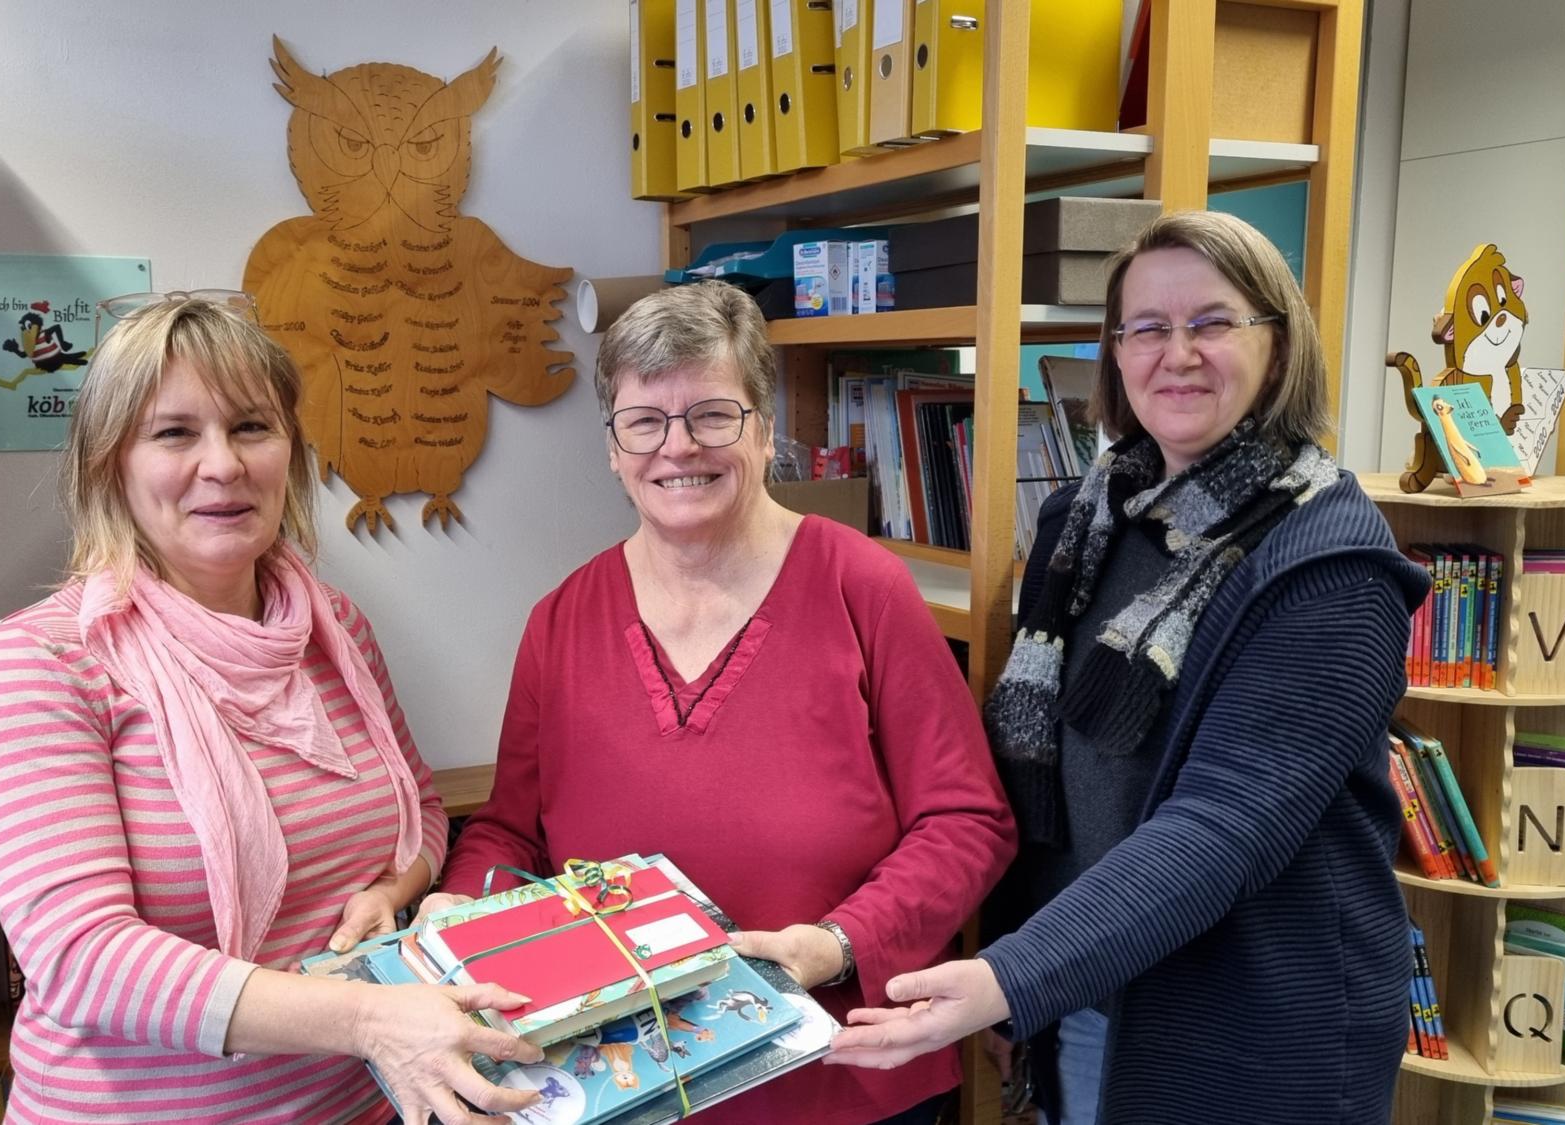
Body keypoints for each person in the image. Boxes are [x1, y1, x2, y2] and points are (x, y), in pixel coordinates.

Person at [828, 211, 1429, 1124]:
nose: (1176, 353)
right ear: (1115, 352)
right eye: (1147, 328)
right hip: (1088, 999)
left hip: (1253, 1036)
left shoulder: (1331, 562)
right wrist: (1021, 965)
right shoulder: (1088, 517)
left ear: (1279, 342)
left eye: (1212, 323)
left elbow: (1225, 824)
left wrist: (1010, 974)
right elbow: (1043, 773)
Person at [419, 280, 1017, 1125]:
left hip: (844, 1069)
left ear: (767, 431)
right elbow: (511, 828)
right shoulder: (560, 619)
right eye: (645, 421)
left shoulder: (863, 586)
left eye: (711, 414)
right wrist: (464, 908)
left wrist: (837, 942)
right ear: (613, 449)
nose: (678, 447)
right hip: (629, 1083)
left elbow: (967, 820)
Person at [0, 295, 542, 1125]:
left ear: (289, 452)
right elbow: (83, 960)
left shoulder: (335, 630)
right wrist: (369, 1020)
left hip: (361, 1105)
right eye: (174, 433)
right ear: (108, 463)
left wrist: (392, 886)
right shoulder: (36, 666)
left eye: (251, 427)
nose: (223, 464)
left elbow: (421, 813)